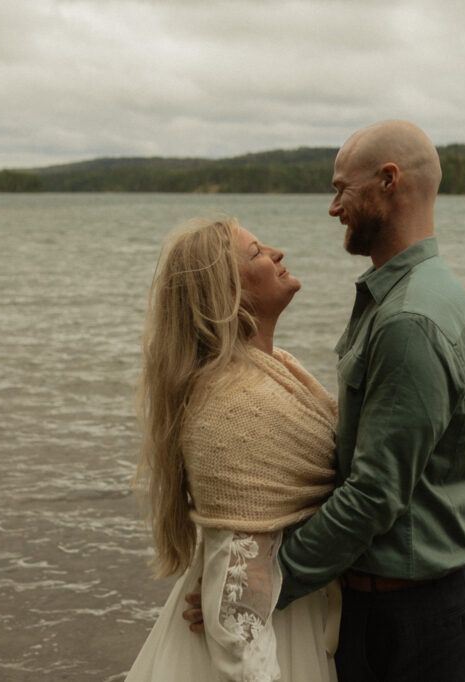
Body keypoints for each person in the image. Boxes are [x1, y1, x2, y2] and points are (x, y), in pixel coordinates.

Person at [185, 120, 465, 681]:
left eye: (340, 189)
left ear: (388, 181)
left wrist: (263, 587)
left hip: (405, 622)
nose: (333, 208)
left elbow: (375, 493)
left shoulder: (410, 318)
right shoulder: (405, 296)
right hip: (395, 607)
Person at [126, 217, 341, 681]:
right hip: (268, 642)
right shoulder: (231, 407)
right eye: (258, 252)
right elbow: (235, 615)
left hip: (294, 611)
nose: (278, 253)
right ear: (230, 295)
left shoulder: (276, 367)